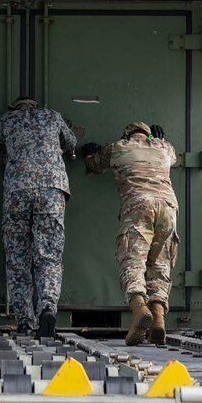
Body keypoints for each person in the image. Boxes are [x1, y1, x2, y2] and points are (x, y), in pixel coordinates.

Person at [0, 94, 76, 337]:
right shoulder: (52, 116)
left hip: (17, 190)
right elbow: (70, 142)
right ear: (36, 106)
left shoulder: (5, 120)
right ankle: (47, 308)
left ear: (13, 107)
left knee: (17, 257)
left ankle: (25, 321)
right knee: (49, 254)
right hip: (51, 189)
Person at [84, 121, 178, 346]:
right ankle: (158, 320)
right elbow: (173, 157)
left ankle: (139, 310)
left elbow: (95, 164)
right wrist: (160, 140)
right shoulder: (165, 148)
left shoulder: (118, 147)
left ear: (126, 134)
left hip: (138, 206)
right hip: (168, 208)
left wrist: (90, 153)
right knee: (160, 267)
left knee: (133, 263)